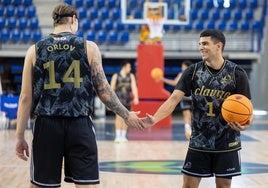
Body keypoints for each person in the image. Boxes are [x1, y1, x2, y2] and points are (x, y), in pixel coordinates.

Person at [15, 3, 144, 188]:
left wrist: (20, 136)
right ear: (74, 20)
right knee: (88, 185)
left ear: (55, 22)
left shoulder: (34, 50)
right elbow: (104, 91)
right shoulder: (89, 47)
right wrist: (126, 115)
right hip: (79, 124)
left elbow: (25, 98)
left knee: (40, 185)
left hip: (47, 125)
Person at [142, 29, 253, 188]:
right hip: (199, 140)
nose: (201, 47)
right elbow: (173, 99)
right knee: (188, 185)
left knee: (223, 186)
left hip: (227, 141)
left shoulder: (237, 73)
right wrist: (154, 119)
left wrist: (246, 124)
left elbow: (248, 108)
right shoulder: (193, 72)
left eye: (205, 43)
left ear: (218, 46)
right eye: (200, 44)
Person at [159, 60, 193, 140]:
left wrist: (162, 79)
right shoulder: (187, 74)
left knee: (189, 115)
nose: (182, 68)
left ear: (186, 66)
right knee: (188, 114)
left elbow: (174, 83)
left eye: (183, 66)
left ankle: (189, 129)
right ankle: (188, 130)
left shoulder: (185, 74)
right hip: (187, 97)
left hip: (189, 97)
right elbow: (175, 83)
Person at [110, 60, 139, 143]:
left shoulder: (131, 76)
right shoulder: (116, 76)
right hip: (118, 101)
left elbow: (134, 87)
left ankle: (123, 136)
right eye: (129, 67)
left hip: (127, 100)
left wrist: (136, 97)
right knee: (119, 117)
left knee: (127, 118)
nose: (130, 69)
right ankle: (117, 136)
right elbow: (111, 89)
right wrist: (110, 101)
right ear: (124, 66)